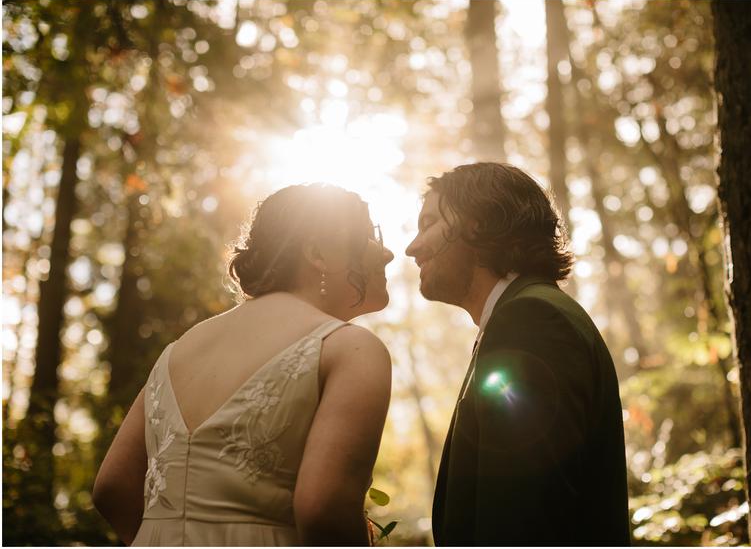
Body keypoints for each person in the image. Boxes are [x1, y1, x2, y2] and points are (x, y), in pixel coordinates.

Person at [94, 184, 394, 546]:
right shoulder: (351, 348)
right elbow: (323, 510)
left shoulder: (178, 350)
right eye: (369, 235)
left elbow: (111, 488)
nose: (388, 253)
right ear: (317, 253)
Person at [406, 163, 630, 546]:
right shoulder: (521, 316)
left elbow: (524, 514)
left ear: (476, 224)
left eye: (428, 224)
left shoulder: (531, 321)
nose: (413, 246)